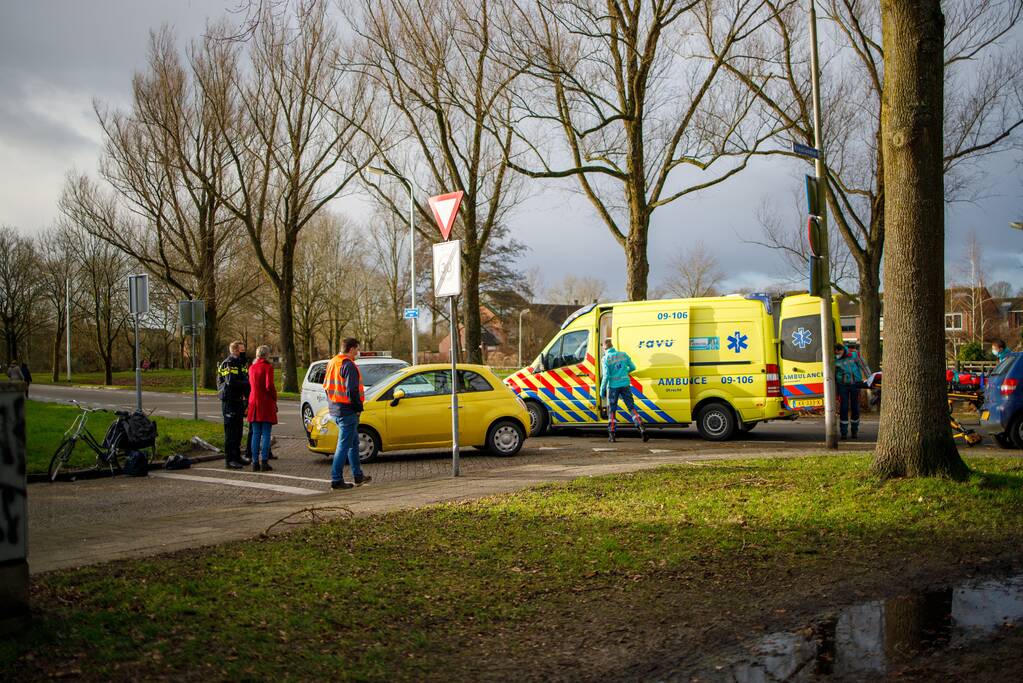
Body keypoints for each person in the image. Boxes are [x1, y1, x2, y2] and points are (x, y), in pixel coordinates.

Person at [323, 337, 372, 490]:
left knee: (353, 444)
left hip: (336, 409)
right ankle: (336, 480)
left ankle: (358, 476)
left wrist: (333, 406)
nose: (358, 352)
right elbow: (352, 390)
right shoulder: (348, 365)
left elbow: (326, 386)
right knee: (344, 446)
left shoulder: (333, 362)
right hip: (348, 411)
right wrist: (357, 408)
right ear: (351, 349)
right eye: (357, 349)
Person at [599, 338, 647, 443]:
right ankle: (641, 426)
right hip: (625, 385)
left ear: (604, 347)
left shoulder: (605, 358)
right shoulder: (623, 355)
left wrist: (602, 389)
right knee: (631, 407)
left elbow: (606, 376)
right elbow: (633, 367)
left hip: (613, 387)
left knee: (612, 410)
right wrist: (624, 372)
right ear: (612, 345)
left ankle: (612, 434)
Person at [218, 341, 251, 469]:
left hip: (237, 401)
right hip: (229, 401)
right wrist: (247, 383)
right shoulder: (229, 363)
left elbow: (244, 378)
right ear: (236, 351)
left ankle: (237, 456)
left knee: (238, 431)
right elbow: (231, 381)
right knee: (231, 432)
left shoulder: (240, 363)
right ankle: (230, 460)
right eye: (242, 350)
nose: (244, 352)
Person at [246, 345, 278, 472]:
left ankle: (255, 462)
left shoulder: (251, 368)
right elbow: (269, 386)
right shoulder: (268, 367)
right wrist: (274, 397)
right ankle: (264, 461)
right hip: (265, 403)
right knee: (266, 434)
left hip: (254, 403)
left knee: (255, 434)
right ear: (267, 354)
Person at [835, 343, 868, 439]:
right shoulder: (834, 359)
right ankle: (843, 432)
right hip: (842, 385)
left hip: (855, 384)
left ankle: (854, 430)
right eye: (835, 353)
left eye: (838, 353)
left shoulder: (854, 355)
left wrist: (870, 379)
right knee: (844, 407)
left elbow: (864, 366)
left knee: (855, 408)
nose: (837, 355)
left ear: (842, 350)